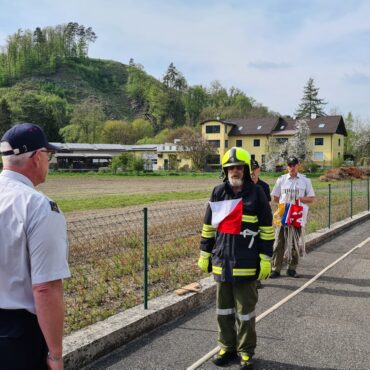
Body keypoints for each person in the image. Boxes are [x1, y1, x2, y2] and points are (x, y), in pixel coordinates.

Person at [0, 123, 71, 370]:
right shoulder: (39, 206)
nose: (48, 162)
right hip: (17, 337)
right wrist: (56, 355)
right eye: (49, 155)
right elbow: (46, 287)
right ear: (37, 157)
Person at [197, 147, 274, 369]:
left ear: (246, 169)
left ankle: (246, 351)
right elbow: (208, 228)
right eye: (230, 168)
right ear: (225, 170)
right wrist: (204, 253)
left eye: (238, 167)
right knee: (223, 310)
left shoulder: (257, 193)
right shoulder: (218, 192)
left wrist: (266, 258)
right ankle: (226, 347)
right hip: (222, 262)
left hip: (246, 263)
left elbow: (267, 229)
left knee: (245, 313)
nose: (234, 171)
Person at [269, 156, 315, 279]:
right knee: (279, 242)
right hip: (283, 216)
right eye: (289, 165)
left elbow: (311, 199)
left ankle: (292, 269)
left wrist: (298, 200)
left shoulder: (305, 181)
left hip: (297, 216)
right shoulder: (281, 180)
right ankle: (276, 268)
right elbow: (275, 197)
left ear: (298, 165)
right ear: (287, 166)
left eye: (294, 165)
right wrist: (285, 205)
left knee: (294, 242)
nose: (292, 167)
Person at [251, 159, 271, 289]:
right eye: (250, 168)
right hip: (248, 224)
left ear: (259, 170)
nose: (252, 171)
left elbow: (267, 207)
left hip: (261, 223)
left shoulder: (264, 186)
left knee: (260, 249)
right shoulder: (243, 185)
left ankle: (257, 278)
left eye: (254, 168)